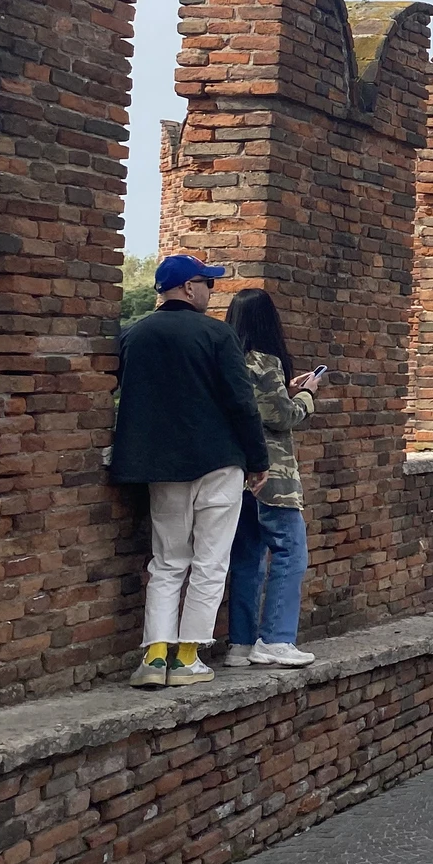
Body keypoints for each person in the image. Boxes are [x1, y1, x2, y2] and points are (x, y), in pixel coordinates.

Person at [109, 254, 270, 688]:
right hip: (218, 460)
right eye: (207, 284)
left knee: (167, 561)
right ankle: (186, 658)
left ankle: (154, 656)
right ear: (187, 287)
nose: (210, 292)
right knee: (210, 561)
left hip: (161, 464)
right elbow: (241, 401)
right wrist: (258, 460)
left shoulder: (134, 334)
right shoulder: (217, 334)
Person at [221, 289, 321, 669]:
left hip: (237, 472)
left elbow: (257, 405)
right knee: (291, 550)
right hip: (273, 475)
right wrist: (306, 396)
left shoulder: (227, 358)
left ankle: (241, 643)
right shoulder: (265, 361)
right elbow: (281, 417)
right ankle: (277, 639)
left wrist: (286, 389)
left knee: (246, 556)